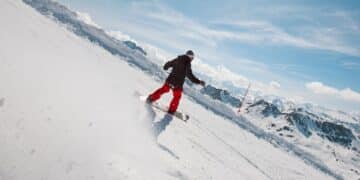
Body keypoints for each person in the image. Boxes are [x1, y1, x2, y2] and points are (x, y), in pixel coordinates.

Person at [147, 50, 205, 114]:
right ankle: (171, 110)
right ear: (190, 57)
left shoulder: (178, 59)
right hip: (178, 84)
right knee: (177, 96)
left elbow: (169, 63)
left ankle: (151, 98)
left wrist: (165, 67)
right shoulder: (187, 64)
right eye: (192, 58)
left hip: (170, 81)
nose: (192, 60)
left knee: (163, 90)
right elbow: (190, 76)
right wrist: (199, 82)